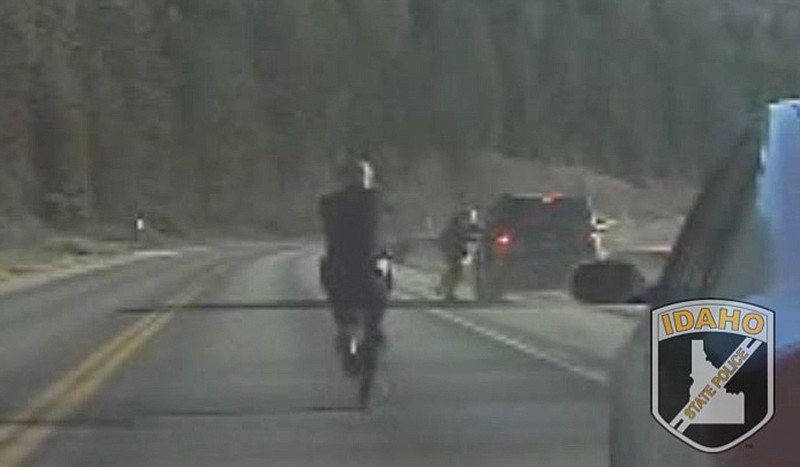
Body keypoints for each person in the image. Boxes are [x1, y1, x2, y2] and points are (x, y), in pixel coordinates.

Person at [319, 158, 389, 357]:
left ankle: (344, 326)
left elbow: (327, 223)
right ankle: (372, 325)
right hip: (368, 264)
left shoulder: (328, 202)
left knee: (332, 283)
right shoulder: (376, 198)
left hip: (339, 264)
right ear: (368, 178)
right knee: (382, 284)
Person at [436, 205, 483, 300]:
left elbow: (471, 232)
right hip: (453, 250)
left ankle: (444, 288)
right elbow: (461, 236)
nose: (470, 220)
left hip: (456, 250)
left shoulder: (460, 225)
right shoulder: (456, 227)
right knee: (455, 270)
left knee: (454, 270)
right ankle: (446, 290)